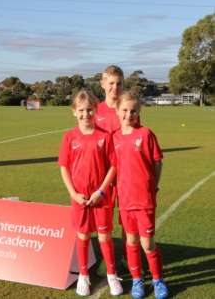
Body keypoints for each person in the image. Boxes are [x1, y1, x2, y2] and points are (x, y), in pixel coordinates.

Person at [58, 90, 123, 296]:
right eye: (81, 110)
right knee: (83, 236)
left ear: (96, 110)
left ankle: (112, 276)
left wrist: (101, 192)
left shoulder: (105, 136)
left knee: (104, 236)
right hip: (79, 197)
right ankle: (83, 277)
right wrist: (74, 194)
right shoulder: (69, 137)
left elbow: (113, 166)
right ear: (74, 111)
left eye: (90, 109)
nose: (86, 114)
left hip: (100, 197)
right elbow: (64, 168)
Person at [113, 91, 168, 299]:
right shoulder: (114, 137)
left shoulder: (145, 134)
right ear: (117, 111)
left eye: (133, 110)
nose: (129, 114)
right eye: (125, 110)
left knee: (147, 244)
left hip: (144, 199)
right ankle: (137, 280)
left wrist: (153, 187)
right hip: (125, 201)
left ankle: (158, 279)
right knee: (131, 243)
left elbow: (158, 162)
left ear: (139, 111)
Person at [95, 65, 141, 276]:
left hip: (126, 176)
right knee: (104, 220)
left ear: (123, 85)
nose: (115, 87)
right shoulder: (95, 111)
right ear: (103, 84)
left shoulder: (128, 109)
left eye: (119, 83)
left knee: (126, 220)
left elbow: (135, 140)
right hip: (102, 176)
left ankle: (126, 257)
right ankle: (108, 260)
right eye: (111, 83)